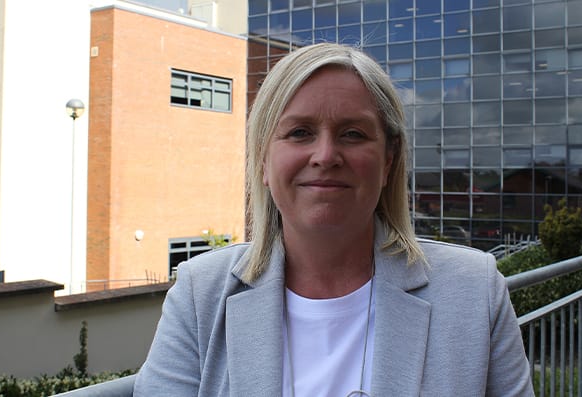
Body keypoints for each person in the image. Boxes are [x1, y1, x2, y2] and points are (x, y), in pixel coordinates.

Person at [134, 42, 533, 396]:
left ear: (389, 160)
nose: (325, 155)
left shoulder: (473, 291)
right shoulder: (199, 295)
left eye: (353, 134)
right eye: (300, 132)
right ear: (262, 160)